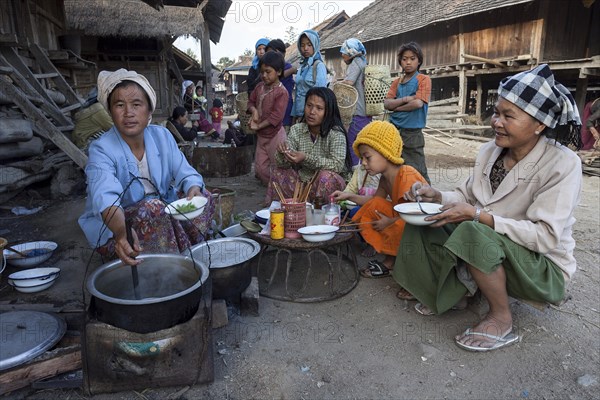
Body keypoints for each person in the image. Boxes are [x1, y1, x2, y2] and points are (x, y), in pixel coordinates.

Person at [394, 64, 583, 352]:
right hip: (493, 246)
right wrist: (436, 196)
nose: (496, 122)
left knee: (472, 230)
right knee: (428, 218)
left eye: (509, 116)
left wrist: (479, 216)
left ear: (539, 124)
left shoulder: (562, 164)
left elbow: (545, 237)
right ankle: (454, 291)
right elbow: (467, 196)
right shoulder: (489, 151)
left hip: (541, 267)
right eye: (497, 112)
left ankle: (501, 318)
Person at [79, 69, 215, 266]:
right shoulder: (101, 149)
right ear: (110, 112)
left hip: (160, 211)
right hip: (119, 230)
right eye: (119, 105)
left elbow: (185, 172)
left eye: (136, 104)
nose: (128, 113)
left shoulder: (162, 136)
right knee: (154, 208)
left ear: (149, 111)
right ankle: (170, 268)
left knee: (205, 197)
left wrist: (193, 187)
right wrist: (121, 232)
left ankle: (191, 251)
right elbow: (106, 199)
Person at [342, 121, 426, 278]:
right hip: (401, 219)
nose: (364, 164)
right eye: (362, 158)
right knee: (374, 206)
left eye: (367, 157)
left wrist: (389, 222)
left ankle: (391, 262)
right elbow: (373, 202)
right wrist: (349, 196)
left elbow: (415, 214)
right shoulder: (384, 179)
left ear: (386, 153)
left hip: (420, 225)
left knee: (401, 224)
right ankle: (392, 256)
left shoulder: (407, 174)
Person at [268, 86, 351, 204]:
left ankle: (323, 215)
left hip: (328, 185)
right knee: (278, 171)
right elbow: (283, 163)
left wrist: (305, 158)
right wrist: (283, 153)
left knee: (325, 177)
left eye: (319, 108)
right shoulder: (297, 129)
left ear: (328, 112)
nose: (312, 112)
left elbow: (337, 165)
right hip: (303, 182)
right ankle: (289, 212)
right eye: (309, 106)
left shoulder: (336, 133)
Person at [384, 42, 431, 183]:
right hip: (394, 131)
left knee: (417, 170)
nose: (408, 62)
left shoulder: (423, 79)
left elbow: (417, 103)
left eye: (412, 58)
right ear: (400, 62)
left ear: (419, 61)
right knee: (395, 168)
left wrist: (397, 107)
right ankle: (400, 199)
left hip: (412, 133)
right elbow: (386, 103)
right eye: (404, 59)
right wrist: (406, 99)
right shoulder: (396, 82)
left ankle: (428, 199)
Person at [247, 51, 289, 185]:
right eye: (262, 72)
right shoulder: (259, 87)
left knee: (279, 166)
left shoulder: (282, 92)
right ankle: (272, 189)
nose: (264, 75)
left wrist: (257, 126)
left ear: (279, 72)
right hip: (261, 136)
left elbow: (275, 117)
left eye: (268, 72)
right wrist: (254, 112)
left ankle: (278, 192)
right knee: (260, 169)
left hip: (275, 136)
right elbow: (250, 102)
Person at [331, 162, 380, 257]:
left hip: (377, 210)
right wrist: (343, 196)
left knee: (357, 212)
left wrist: (350, 197)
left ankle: (372, 242)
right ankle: (365, 238)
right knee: (342, 213)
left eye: (368, 158)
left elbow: (380, 200)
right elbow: (350, 189)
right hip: (361, 205)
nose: (364, 162)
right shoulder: (359, 170)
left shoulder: (383, 174)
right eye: (362, 158)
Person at [340, 38, 372, 165]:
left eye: (343, 52)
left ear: (350, 52)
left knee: (353, 143)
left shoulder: (356, 62)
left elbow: (349, 83)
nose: (342, 55)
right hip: (365, 111)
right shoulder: (363, 62)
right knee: (362, 142)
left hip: (358, 111)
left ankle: (354, 171)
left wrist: (334, 84)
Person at [291, 29, 328, 123]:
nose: (305, 48)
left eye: (309, 45)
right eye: (302, 45)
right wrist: (295, 115)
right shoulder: (302, 66)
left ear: (315, 45)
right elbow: (298, 92)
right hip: (300, 115)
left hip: (312, 116)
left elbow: (320, 94)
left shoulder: (319, 66)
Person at [266, 39, 296, 132]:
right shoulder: (270, 69)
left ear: (279, 53)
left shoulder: (287, 66)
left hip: (285, 109)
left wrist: (292, 69)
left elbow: (279, 76)